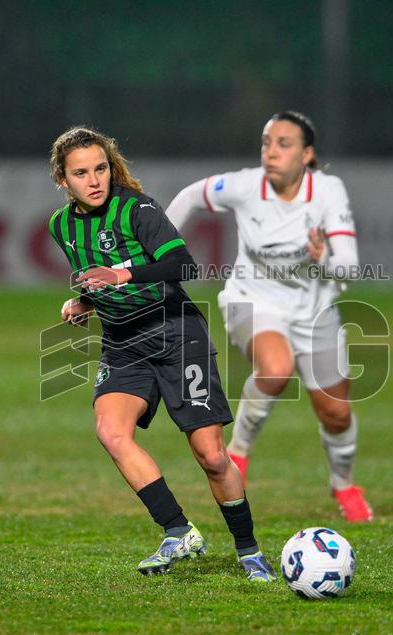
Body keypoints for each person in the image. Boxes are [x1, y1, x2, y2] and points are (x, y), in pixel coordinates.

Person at [47, 126, 277, 581]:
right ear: (63, 179)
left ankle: (249, 550)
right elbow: (97, 277)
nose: (94, 180)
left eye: (100, 169)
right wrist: (85, 302)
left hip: (176, 333)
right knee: (111, 432)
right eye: (81, 173)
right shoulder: (61, 226)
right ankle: (178, 531)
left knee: (211, 455)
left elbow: (182, 265)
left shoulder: (138, 208)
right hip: (123, 341)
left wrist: (122, 275)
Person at [165, 110, 373, 522]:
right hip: (251, 300)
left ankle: (344, 484)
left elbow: (349, 267)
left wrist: (324, 257)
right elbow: (191, 196)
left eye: (283, 144)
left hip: (315, 311)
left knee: (336, 413)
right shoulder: (245, 185)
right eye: (266, 143)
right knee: (275, 368)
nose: (271, 152)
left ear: (307, 154)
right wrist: (158, 250)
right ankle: (238, 454)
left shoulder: (328, 190)